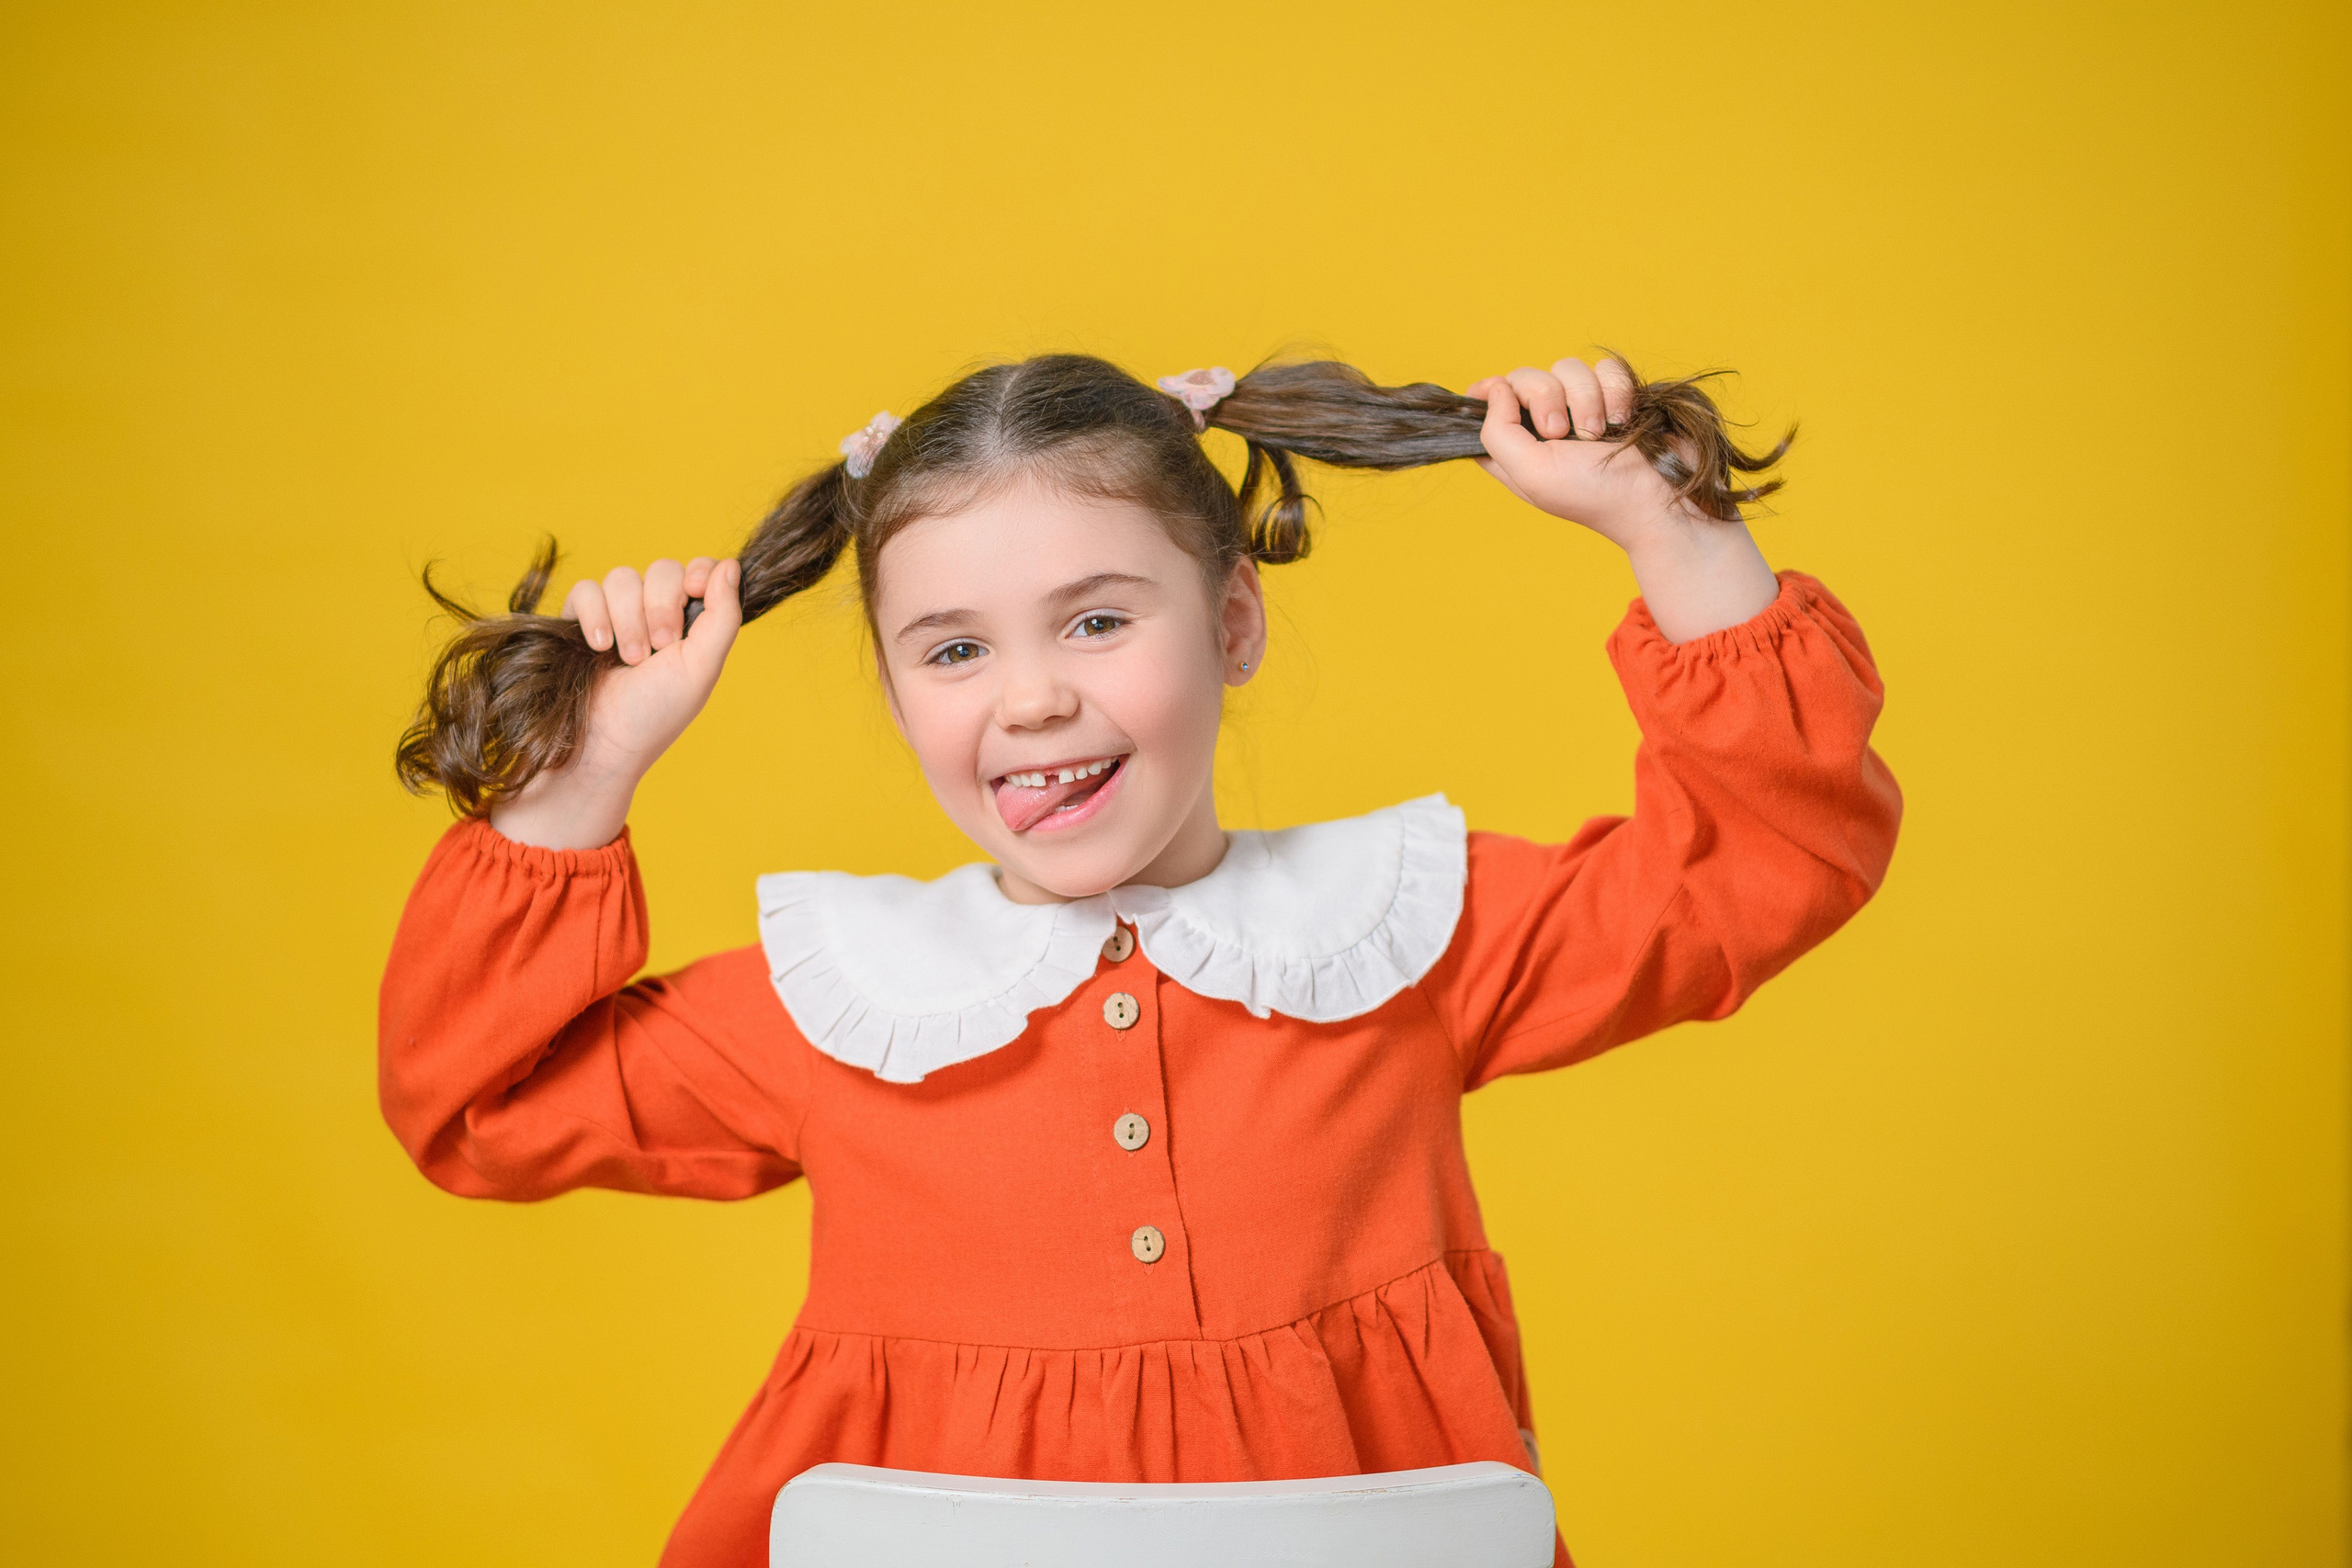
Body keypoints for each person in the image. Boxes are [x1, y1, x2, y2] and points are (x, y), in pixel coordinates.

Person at [379, 350, 1902, 1566]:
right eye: (956, 649)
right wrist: (587, 775)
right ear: (901, 696)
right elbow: (478, 1108)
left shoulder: (1398, 933)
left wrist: (1666, 521)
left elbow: (1765, 868)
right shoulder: (841, 995)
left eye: (1098, 620)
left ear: (1233, 623)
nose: (1032, 699)